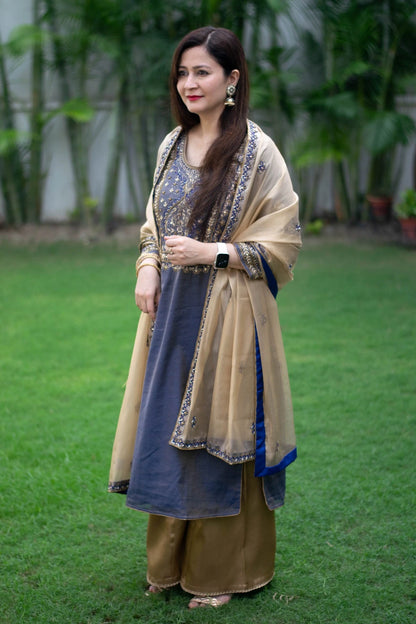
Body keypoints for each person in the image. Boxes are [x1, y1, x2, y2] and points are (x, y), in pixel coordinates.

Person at [108, 26, 302, 609]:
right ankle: (167, 565)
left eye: (203, 73)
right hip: (169, 316)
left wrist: (212, 253)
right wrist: (148, 265)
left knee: (222, 432)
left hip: (230, 315)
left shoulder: (257, 152)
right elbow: (154, 225)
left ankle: (221, 573)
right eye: (183, 72)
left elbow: (284, 242)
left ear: (232, 80)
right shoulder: (172, 143)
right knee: (167, 427)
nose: (189, 83)